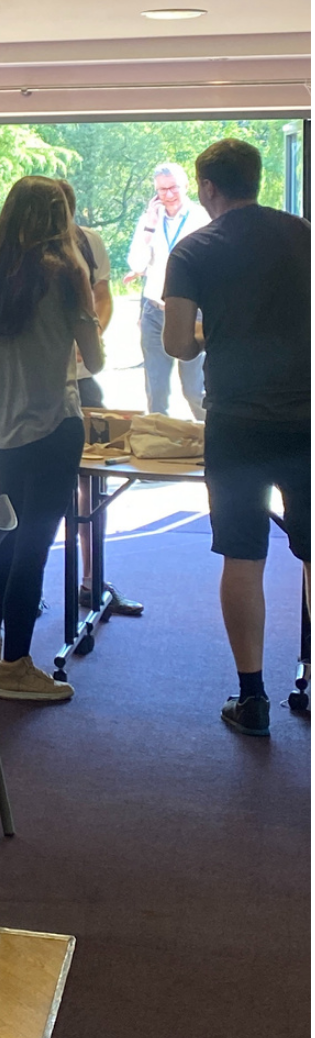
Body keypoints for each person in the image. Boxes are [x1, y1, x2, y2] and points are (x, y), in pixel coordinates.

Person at [163, 139, 310, 737]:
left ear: (206, 189)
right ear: (257, 180)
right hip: (308, 414)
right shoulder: (304, 233)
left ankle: (252, 700)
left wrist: (207, 334)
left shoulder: (194, 248)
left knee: (243, 556)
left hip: (237, 420)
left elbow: (176, 343)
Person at [0, 176, 104, 702]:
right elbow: (93, 359)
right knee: (36, 545)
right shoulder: (68, 273)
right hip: (53, 424)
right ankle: (18, 666)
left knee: (2, 534)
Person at [57, 179, 143, 618]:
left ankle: (93, 582)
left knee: (94, 482)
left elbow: (103, 297)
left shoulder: (89, 244)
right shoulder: (15, 255)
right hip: (40, 390)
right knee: (39, 491)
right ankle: (25, 583)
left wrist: (88, 335)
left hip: (85, 379)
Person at [125, 162, 210, 418]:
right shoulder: (149, 221)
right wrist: (149, 228)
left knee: (195, 390)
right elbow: (137, 265)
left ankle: (211, 440)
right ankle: (158, 444)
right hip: (155, 311)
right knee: (156, 390)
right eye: (161, 190)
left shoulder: (202, 218)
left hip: (192, 312)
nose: (168, 195)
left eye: (173, 188)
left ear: (186, 186)